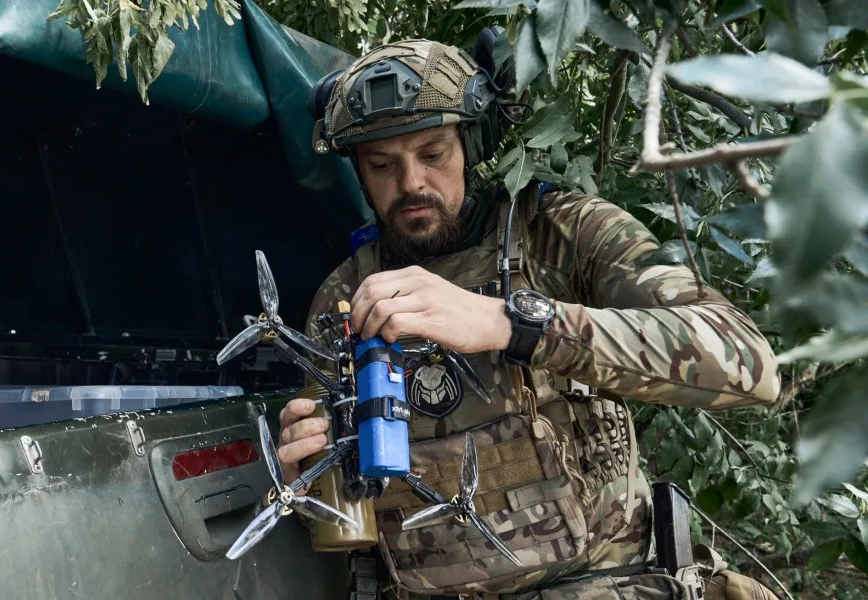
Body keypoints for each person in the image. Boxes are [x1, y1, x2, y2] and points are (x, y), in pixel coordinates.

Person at [275, 36, 781, 600]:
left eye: (433, 153)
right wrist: (308, 483)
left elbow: (748, 362)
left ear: (473, 141)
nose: (412, 182)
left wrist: (517, 323)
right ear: (359, 173)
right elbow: (350, 516)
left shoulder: (564, 236)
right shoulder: (346, 297)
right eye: (382, 164)